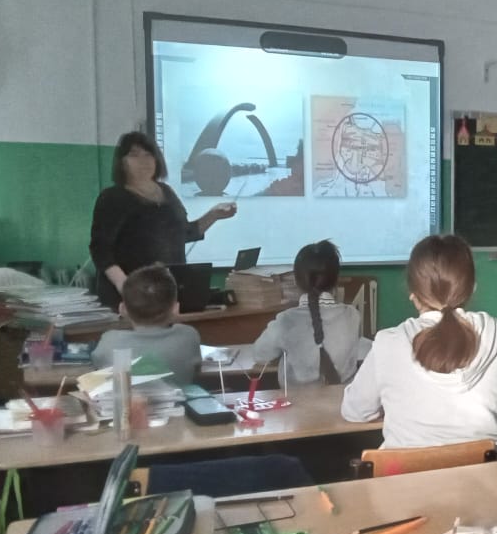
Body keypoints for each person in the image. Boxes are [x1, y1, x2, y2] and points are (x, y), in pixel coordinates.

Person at [341, 235, 497, 448]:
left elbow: (355, 411)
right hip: (487, 467)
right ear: (472, 288)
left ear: (413, 294)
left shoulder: (389, 342)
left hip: (403, 469)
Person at [89, 131, 237, 307]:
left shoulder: (167, 192)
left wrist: (213, 215)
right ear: (122, 162)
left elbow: (184, 233)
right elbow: (101, 250)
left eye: (148, 154)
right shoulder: (112, 198)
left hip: (170, 290)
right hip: (132, 297)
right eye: (134, 155)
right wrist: (124, 285)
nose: (143, 161)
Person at [252, 240, 367, 384]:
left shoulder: (286, 320)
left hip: (296, 397)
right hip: (343, 396)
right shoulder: (352, 316)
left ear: (296, 281)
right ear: (336, 280)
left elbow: (260, 355)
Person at [91, 265, 202, 384]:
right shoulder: (188, 336)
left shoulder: (109, 341)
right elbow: (196, 371)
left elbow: (98, 369)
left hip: (124, 397)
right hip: (178, 397)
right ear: (175, 309)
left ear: (122, 309)